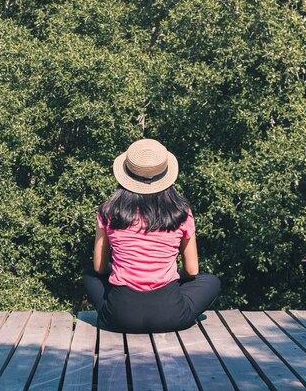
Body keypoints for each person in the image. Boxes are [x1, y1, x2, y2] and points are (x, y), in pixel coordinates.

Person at [83, 138, 220, 333]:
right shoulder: (180, 211)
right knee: (211, 281)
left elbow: (99, 267)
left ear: (126, 174)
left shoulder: (109, 210)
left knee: (89, 276)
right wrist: (171, 276)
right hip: (170, 314)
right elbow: (191, 270)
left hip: (120, 316)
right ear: (165, 174)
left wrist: (119, 270)